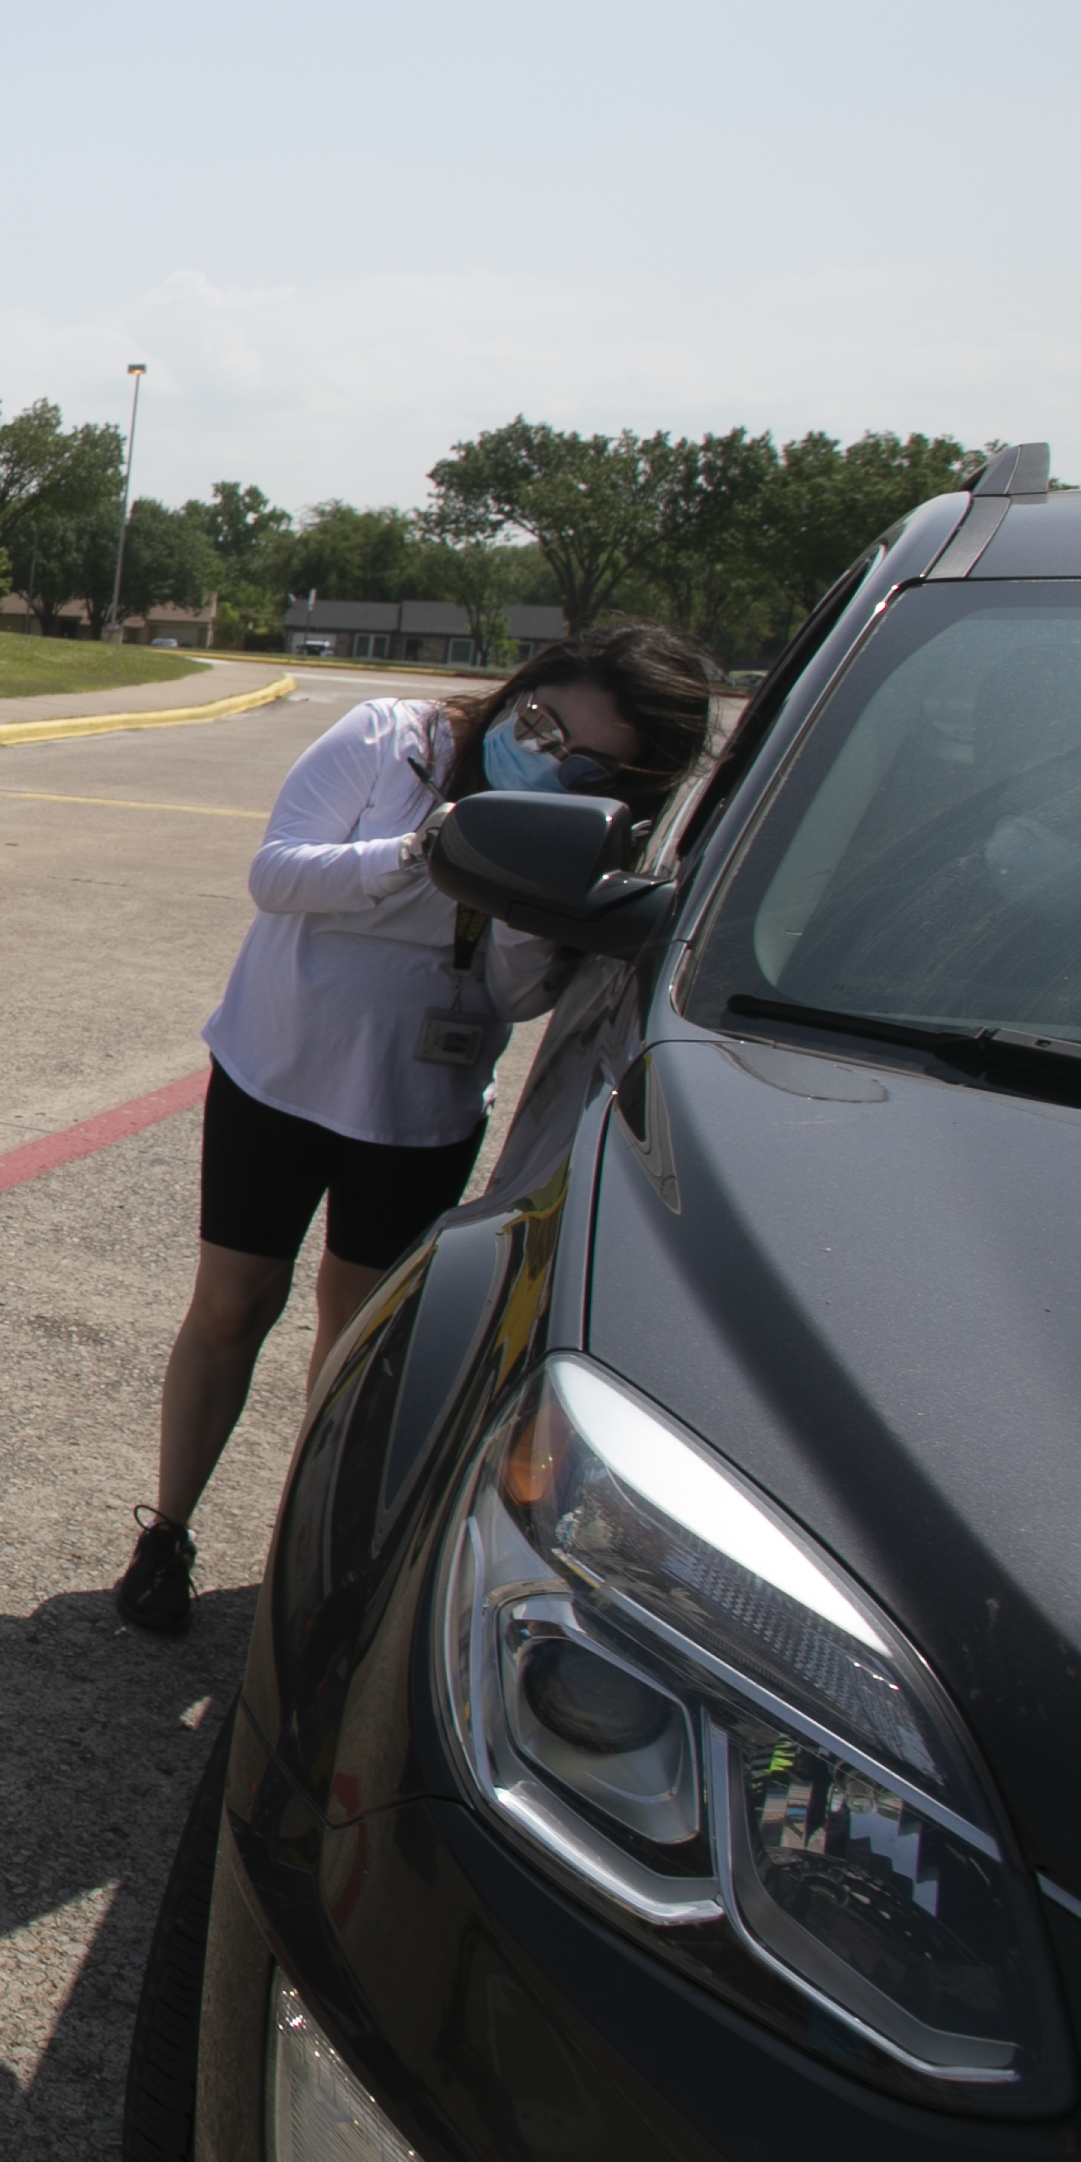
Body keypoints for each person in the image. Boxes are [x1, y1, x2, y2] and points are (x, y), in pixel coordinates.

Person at [117, 623, 720, 1634]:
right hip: (277, 1071)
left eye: (588, 762)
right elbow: (280, 875)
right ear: (524, 683)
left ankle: (302, 1554)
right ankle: (165, 1529)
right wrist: (426, 852)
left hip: (416, 1110)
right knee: (229, 1307)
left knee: (353, 1343)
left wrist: (530, 889)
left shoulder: (578, 835)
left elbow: (517, 996)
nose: (543, 752)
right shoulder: (390, 742)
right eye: (539, 721)